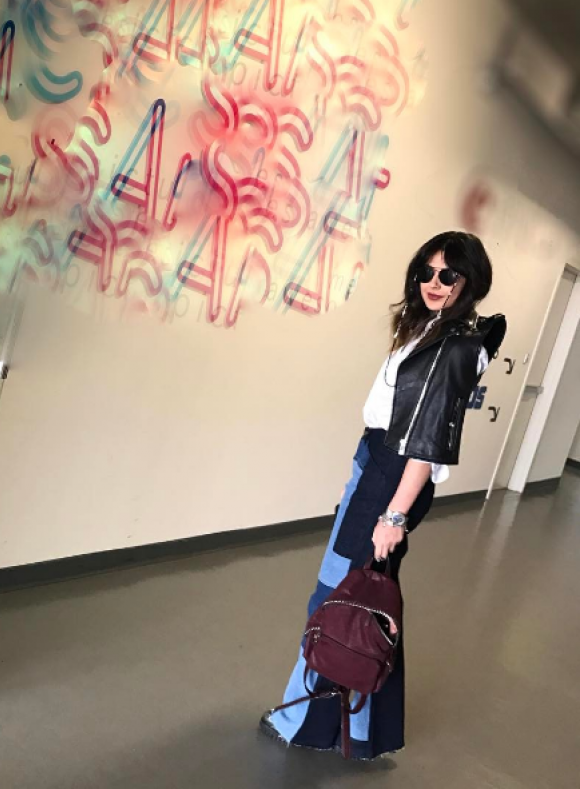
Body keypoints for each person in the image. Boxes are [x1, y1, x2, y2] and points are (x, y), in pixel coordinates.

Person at [259, 231, 507, 760]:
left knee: (336, 601)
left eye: (448, 274)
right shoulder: (430, 330)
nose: (433, 282)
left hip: (392, 476)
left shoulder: (456, 347)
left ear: (470, 281)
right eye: (426, 271)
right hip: (375, 464)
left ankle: (306, 724)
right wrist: (362, 478)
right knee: (363, 602)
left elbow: (426, 445)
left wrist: (392, 514)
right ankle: (361, 731)